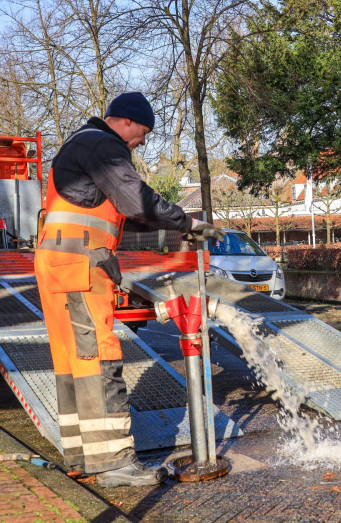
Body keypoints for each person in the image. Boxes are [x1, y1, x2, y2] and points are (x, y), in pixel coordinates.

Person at [34, 92, 222, 488]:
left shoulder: (79, 143)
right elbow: (137, 200)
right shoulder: (103, 145)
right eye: (143, 134)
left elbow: (125, 212)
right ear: (128, 122)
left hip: (58, 260)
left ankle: (87, 457)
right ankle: (116, 464)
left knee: (73, 361)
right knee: (99, 355)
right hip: (81, 262)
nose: (141, 143)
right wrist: (186, 223)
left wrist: (171, 222)